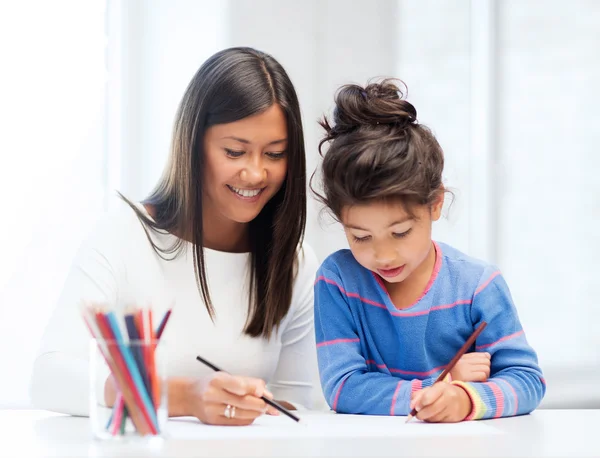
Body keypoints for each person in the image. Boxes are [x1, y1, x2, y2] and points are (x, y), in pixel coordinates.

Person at [30, 47, 320, 426]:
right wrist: (182, 396)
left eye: (275, 154)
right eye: (235, 152)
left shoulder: (295, 261)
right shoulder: (124, 236)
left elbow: (297, 407)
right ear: (193, 144)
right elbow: (49, 378)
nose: (255, 173)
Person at [313, 79, 545, 422]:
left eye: (401, 232)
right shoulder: (338, 281)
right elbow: (343, 388)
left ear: (435, 204)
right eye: (361, 237)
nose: (384, 255)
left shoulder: (477, 285)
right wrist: (439, 384)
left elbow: (527, 381)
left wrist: (466, 399)